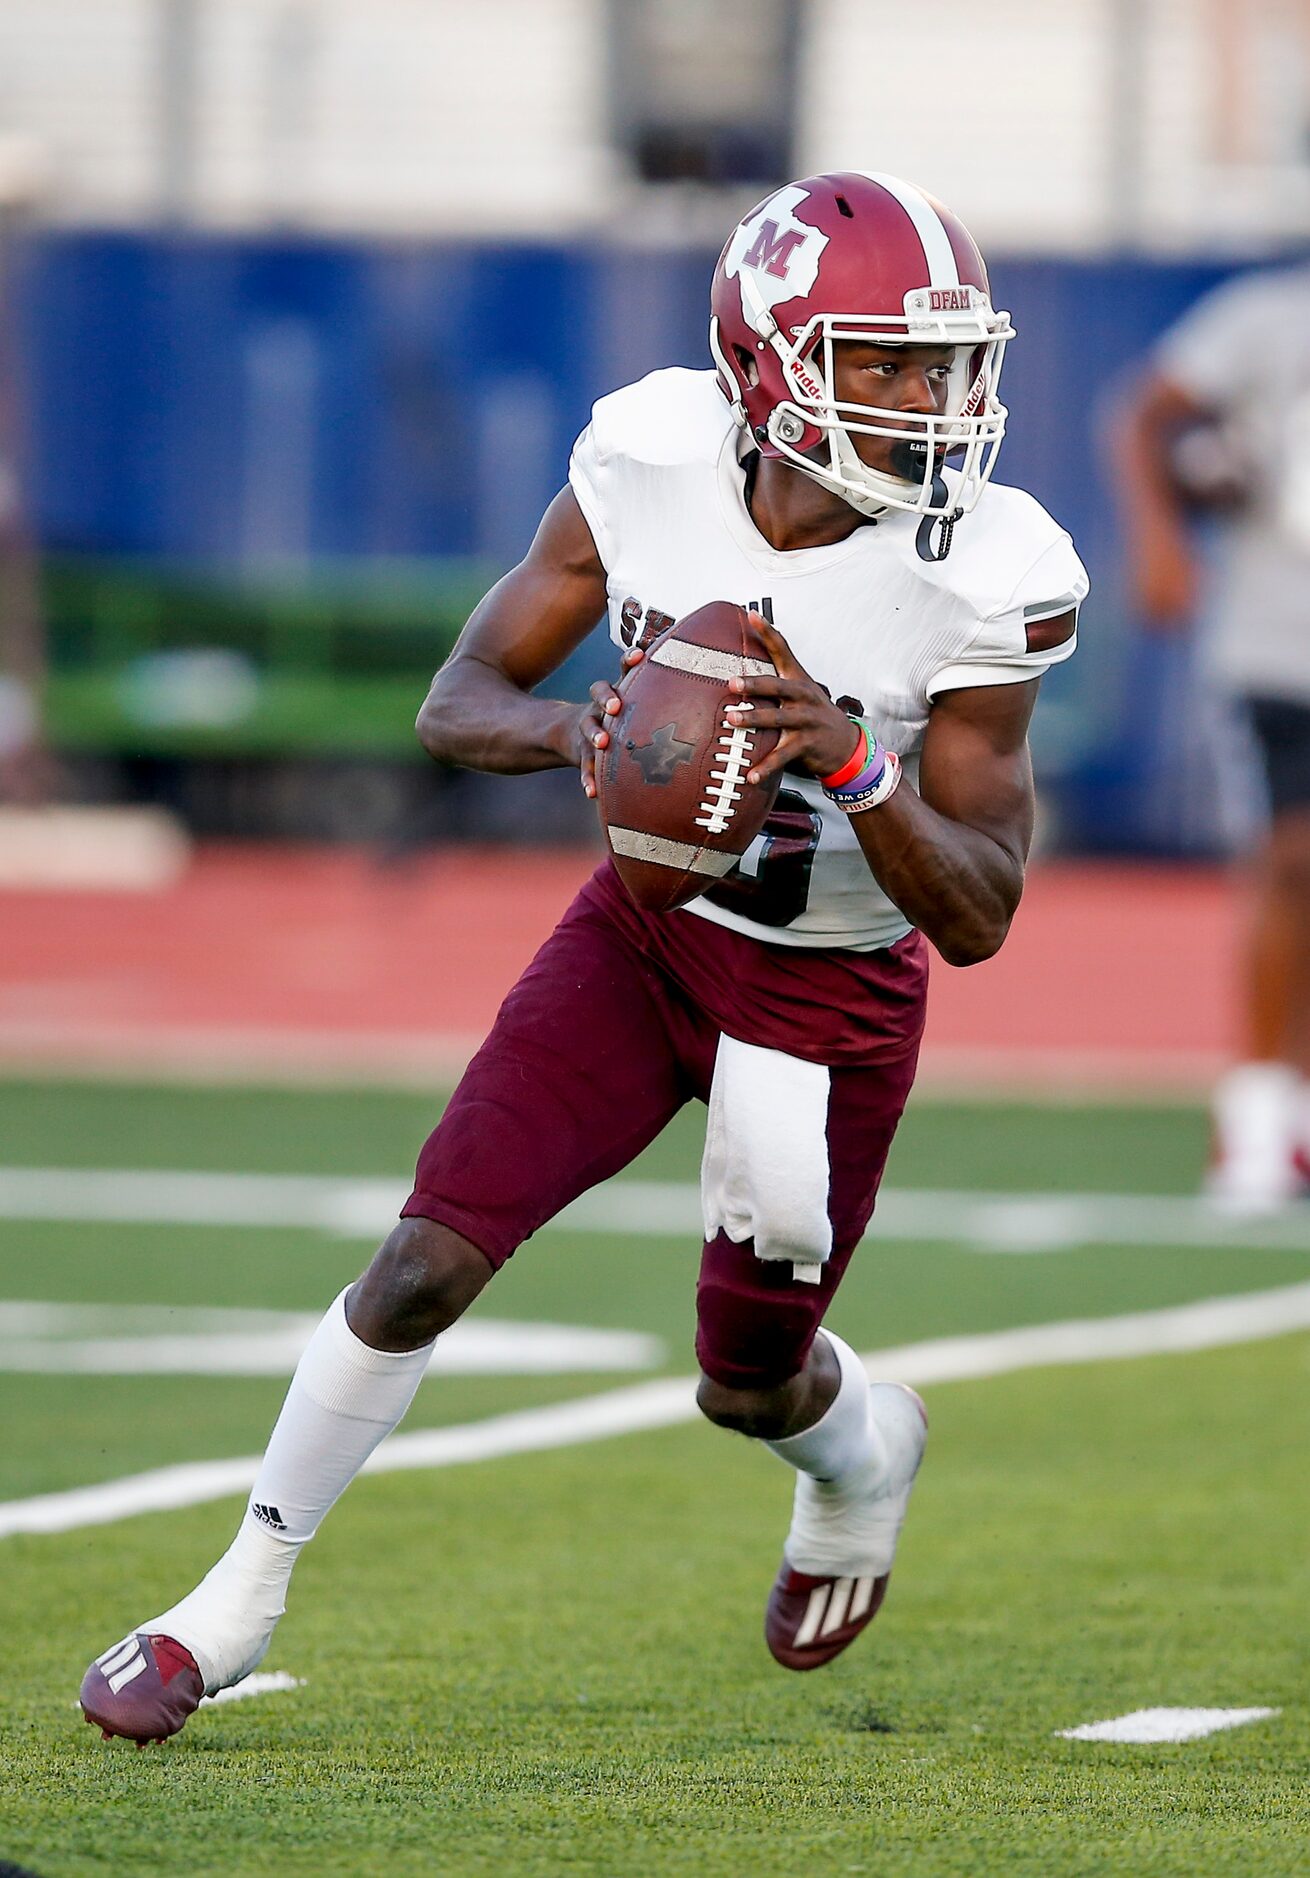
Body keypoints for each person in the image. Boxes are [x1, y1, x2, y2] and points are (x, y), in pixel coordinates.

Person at [80, 170, 1087, 1743]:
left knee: (745, 1383)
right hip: (643, 935)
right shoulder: (651, 453)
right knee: (421, 1261)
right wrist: (583, 732)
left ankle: (864, 1452)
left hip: (829, 993)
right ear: (767, 364)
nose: (929, 402)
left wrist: (852, 767)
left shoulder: (984, 566)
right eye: (882, 363)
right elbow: (458, 695)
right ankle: (233, 1600)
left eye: (944, 364)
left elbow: (977, 910)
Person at [1114, 258, 1310, 1212]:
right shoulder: (1269, 316)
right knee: (1289, 863)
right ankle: (1259, 1116)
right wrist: (1162, 539)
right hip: (1283, 643)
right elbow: (1142, 412)